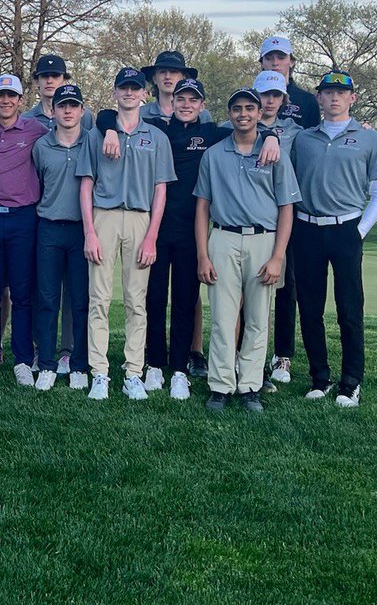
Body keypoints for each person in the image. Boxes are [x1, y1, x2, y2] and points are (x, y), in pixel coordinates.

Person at [96, 78, 280, 400]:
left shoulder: (211, 133)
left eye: (193, 100)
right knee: (152, 299)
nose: (186, 104)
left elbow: (248, 128)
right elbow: (106, 115)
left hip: (190, 232)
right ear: (172, 101)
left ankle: (180, 369)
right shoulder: (156, 127)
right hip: (151, 229)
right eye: (181, 99)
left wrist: (273, 136)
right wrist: (110, 128)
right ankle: (154, 363)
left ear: (202, 106)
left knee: (184, 301)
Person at [195, 87, 300, 412]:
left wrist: (278, 256)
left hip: (263, 241)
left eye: (249, 108)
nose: (243, 114)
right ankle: (221, 385)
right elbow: (202, 206)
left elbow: (286, 207)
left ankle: (250, 385)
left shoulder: (274, 152)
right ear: (230, 113)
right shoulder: (213, 154)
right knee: (224, 318)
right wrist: (203, 254)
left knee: (257, 318)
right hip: (223, 238)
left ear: (258, 114)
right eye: (237, 108)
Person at [290, 70, 377, 407]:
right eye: (327, 92)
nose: (333, 97)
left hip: (346, 228)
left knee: (349, 308)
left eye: (340, 92)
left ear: (352, 98)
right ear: (318, 98)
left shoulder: (370, 138)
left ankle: (351, 382)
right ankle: (320, 377)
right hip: (305, 229)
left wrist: (358, 232)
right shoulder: (303, 139)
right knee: (310, 308)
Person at [77, 68, 175, 402]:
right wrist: (89, 231)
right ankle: (99, 373)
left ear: (144, 94)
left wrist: (152, 237)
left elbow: (161, 190)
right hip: (103, 216)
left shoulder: (156, 137)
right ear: (115, 93)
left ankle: (134, 371)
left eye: (135, 88)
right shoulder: (98, 134)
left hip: (139, 219)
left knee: (137, 301)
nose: (130, 93)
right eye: (124, 88)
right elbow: (86, 183)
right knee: (99, 300)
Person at [0, 74, 47, 384]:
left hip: (23, 218)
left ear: (20, 100)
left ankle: (23, 360)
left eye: (11, 96)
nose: (5, 101)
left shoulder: (35, 130)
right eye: (0, 95)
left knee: (22, 294)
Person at [32, 84, 94, 391]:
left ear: (83, 110)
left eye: (73, 106)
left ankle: (79, 363)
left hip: (83, 231)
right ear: (53, 111)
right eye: (62, 106)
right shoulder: (42, 146)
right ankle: (46, 362)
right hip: (49, 229)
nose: (67, 111)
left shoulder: (93, 142)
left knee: (80, 299)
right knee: (46, 299)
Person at [250, 67, 305, 385]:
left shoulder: (296, 132)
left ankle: (282, 355)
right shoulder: (239, 124)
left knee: (285, 288)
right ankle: (244, 354)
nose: (269, 101)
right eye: (264, 95)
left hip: (284, 216)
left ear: (283, 99)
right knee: (248, 291)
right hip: (249, 218)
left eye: (275, 95)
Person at [258, 35, 320, 130]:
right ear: (262, 63)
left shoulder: (307, 101)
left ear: (291, 62)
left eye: (281, 58)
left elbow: (313, 140)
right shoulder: (251, 96)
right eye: (269, 58)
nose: (275, 63)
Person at [25, 54, 95, 131]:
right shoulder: (26, 119)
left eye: (55, 76)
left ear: (64, 80)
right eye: (44, 76)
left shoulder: (83, 115)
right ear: (37, 81)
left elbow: (92, 141)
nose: (49, 81)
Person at [141, 51, 213, 124]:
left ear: (184, 78)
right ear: (154, 79)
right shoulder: (140, 114)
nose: (167, 77)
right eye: (162, 72)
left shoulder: (201, 115)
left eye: (173, 72)